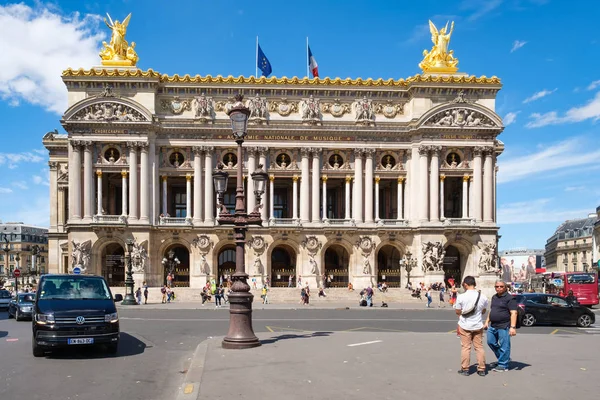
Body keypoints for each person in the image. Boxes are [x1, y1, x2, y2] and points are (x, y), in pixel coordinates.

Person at [454, 276, 489, 377]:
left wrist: (464, 313)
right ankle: (482, 369)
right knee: (479, 347)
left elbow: (457, 311)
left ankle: (465, 369)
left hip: (465, 325)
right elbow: (483, 310)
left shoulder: (461, 297)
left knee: (466, 347)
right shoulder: (483, 296)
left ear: (465, 284)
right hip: (478, 325)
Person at [484, 280, 518, 372]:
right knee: (490, 342)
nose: (499, 288)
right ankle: (503, 359)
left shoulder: (510, 298)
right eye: (497, 286)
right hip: (493, 325)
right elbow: (492, 310)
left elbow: (514, 313)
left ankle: (503, 365)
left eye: (501, 286)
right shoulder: (494, 297)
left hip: (504, 325)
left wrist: (513, 327)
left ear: (505, 287)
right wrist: (487, 321)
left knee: (504, 346)